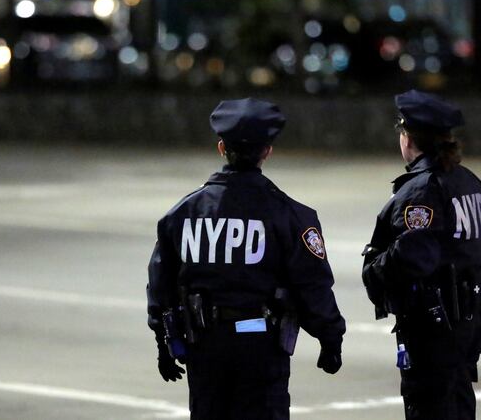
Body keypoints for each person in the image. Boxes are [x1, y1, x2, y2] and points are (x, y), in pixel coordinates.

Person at [147, 98, 346, 420]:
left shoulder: (184, 213)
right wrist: (330, 336)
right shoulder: (290, 214)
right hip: (262, 348)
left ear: (221, 147)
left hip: (205, 346)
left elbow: (161, 282)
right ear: (267, 151)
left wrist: (164, 340)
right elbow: (312, 283)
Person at [361, 90, 481, 420]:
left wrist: (374, 271)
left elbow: (413, 256)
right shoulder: (472, 184)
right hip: (468, 317)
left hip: (433, 324)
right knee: (460, 401)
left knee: (431, 406)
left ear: (408, 139)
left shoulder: (422, 189)